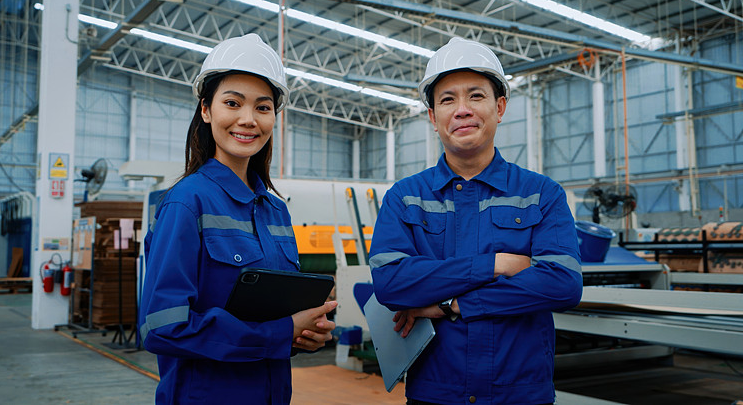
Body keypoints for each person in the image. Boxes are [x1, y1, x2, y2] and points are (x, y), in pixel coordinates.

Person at [368, 37, 583, 405]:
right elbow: (390, 284)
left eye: (476, 96)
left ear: (499, 107)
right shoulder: (405, 198)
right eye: (448, 99)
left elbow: (562, 283)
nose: (462, 110)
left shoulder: (542, 193)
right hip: (437, 393)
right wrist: (494, 264)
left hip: (520, 393)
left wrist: (452, 304)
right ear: (433, 117)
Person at [138, 33, 337, 404]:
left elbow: (276, 315)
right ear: (206, 110)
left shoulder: (276, 210)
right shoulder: (186, 203)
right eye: (233, 103)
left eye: (263, 108)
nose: (248, 120)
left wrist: (306, 334)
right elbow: (162, 327)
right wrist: (280, 333)